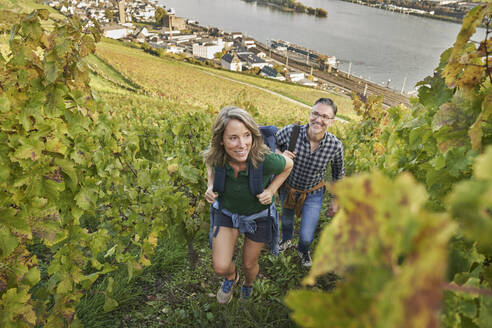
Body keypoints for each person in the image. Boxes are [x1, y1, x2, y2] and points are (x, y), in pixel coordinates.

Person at [203, 106, 293, 304]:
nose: (242, 144)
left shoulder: (265, 160)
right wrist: (211, 185)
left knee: (249, 264)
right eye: (233, 137)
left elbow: (289, 165)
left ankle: (248, 284)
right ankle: (231, 278)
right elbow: (209, 162)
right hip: (226, 213)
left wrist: (271, 191)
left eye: (246, 135)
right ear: (221, 140)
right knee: (220, 267)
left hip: (258, 217)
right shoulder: (217, 157)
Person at [276, 98, 344, 267]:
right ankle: (286, 240)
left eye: (325, 117)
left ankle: (303, 249)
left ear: (332, 121)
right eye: (315, 113)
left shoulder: (334, 146)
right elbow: (272, 143)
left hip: (313, 193)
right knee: (286, 221)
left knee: (306, 235)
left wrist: (336, 200)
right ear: (310, 114)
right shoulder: (291, 132)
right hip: (288, 188)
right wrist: (279, 153)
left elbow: (338, 174)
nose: (318, 119)